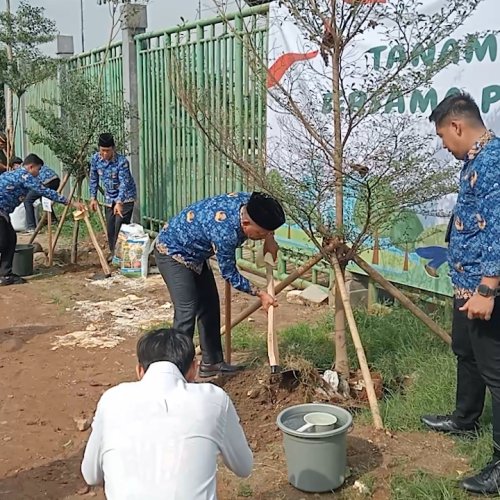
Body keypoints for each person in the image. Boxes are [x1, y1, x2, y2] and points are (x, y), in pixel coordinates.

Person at [421, 92, 500, 495]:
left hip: (486, 289)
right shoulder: (475, 161)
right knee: (465, 352)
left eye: (441, 137)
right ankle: (465, 419)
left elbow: (498, 227)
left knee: (496, 372)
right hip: (467, 284)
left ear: (457, 126)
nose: (443, 145)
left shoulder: (493, 162)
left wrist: (489, 287)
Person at [81, 328, 253, 500]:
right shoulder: (214, 399)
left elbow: (91, 475)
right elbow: (244, 467)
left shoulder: (112, 400)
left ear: (140, 370)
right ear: (194, 369)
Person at [155, 191, 285, 377]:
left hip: (196, 255)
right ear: (246, 224)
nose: (262, 237)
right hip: (172, 252)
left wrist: (269, 239)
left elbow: (264, 211)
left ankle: (212, 363)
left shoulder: (249, 203)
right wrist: (260, 293)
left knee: (209, 305)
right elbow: (229, 274)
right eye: (261, 234)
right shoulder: (225, 232)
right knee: (187, 310)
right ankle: (175, 372)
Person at [0, 156, 83, 286]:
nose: (38, 173)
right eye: (38, 169)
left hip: (3, 212)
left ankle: (6, 274)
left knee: (10, 239)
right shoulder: (25, 176)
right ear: (31, 167)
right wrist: (70, 202)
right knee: (4, 240)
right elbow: (44, 191)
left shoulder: (13, 173)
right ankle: (5, 275)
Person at [89, 133, 136, 257]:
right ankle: (113, 253)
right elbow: (93, 178)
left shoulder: (122, 162)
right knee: (110, 227)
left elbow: (124, 183)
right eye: (102, 150)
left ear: (113, 149)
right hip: (109, 198)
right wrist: (93, 198)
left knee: (120, 226)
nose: (105, 154)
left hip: (126, 198)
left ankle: (122, 255)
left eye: (108, 151)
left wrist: (119, 202)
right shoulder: (95, 159)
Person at [22, 154, 61, 232]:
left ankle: (31, 227)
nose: (39, 171)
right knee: (44, 198)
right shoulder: (33, 168)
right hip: (55, 180)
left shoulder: (26, 171)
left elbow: (34, 186)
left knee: (28, 200)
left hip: (46, 182)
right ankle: (52, 219)